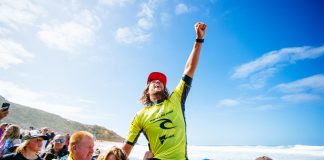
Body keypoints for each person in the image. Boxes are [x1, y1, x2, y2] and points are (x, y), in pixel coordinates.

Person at [122, 22, 207, 159]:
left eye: (160, 81)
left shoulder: (176, 98)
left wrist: (199, 39)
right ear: (147, 91)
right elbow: (126, 148)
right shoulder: (140, 116)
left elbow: (189, 69)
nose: (157, 81)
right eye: (153, 81)